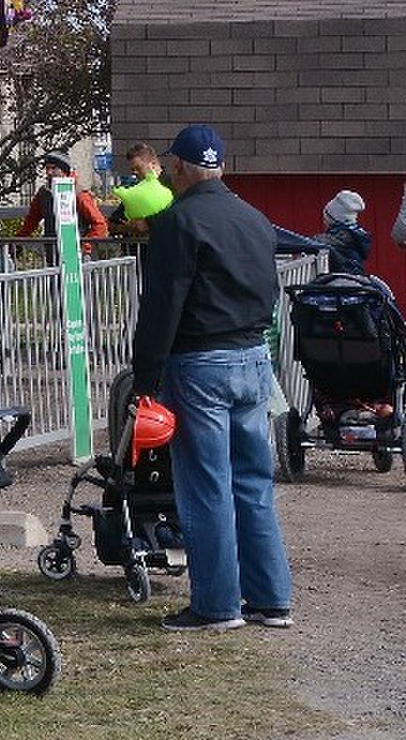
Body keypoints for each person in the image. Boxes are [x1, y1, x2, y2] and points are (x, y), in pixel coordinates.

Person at [130, 124, 293, 632]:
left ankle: (217, 606)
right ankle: (271, 600)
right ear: (220, 166)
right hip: (253, 359)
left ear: (176, 167)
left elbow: (163, 305)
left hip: (201, 362)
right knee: (253, 482)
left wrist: (145, 378)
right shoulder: (254, 219)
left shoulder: (177, 223)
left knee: (206, 485)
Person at [272, 190, 372, 277]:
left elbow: (313, 244)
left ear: (333, 218)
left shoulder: (341, 237)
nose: (325, 222)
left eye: (326, 219)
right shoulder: (354, 235)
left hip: (341, 282)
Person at [17, 152, 110, 243]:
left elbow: (99, 224)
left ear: (64, 171)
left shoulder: (78, 193)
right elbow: (31, 221)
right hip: (52, 251)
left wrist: (86, 247)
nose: (49, 172)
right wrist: (17, 242)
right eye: (47, 168)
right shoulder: (43, 193)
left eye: (54, 168)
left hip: (75, 253)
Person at [105, 143, 174, 228]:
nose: (135, 173)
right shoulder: (137, 189)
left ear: (152, 164)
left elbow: (177, 214)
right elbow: (114, 220)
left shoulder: (173, 184)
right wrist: (127, 227)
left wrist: (147, 222)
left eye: (138, 168)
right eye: (133, 170)